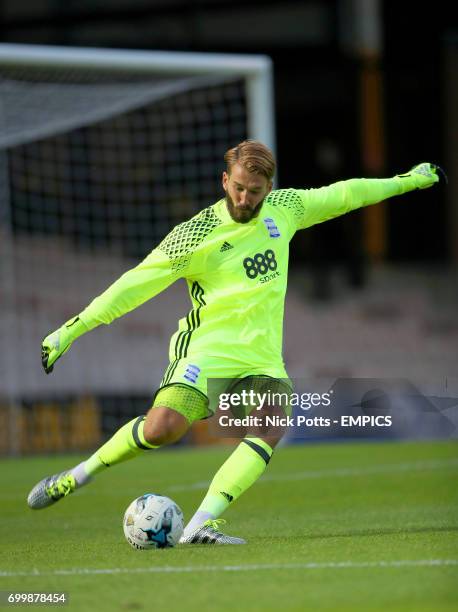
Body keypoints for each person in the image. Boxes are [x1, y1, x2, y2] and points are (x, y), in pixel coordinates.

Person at [27, 140, 441, 544]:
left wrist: (406, 180)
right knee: (161, 429)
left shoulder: (286, 209)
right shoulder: (195, 235)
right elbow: (132, 285)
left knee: (271, 423)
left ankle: (198, 525)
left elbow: (345, 194)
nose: (245, 198)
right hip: (207, 352)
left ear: (269, 189)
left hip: (261, 360)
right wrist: (70, 330)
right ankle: (76, 476)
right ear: (225, 181)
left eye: (255, 191)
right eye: (239, 188)